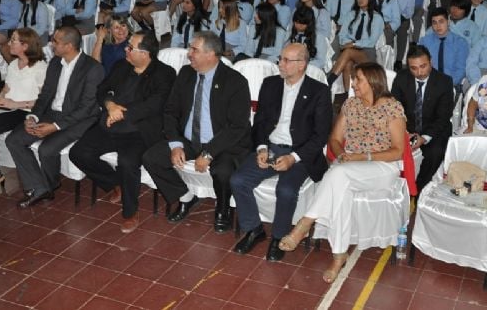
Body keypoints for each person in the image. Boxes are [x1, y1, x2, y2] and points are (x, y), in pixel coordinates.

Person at [278, 62, 407, 284]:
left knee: (338, 176)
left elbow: (397, 151)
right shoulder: (350, 105)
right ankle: (339, 256)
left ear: (373, 82)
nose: (353, 83)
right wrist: (341, 156)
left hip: (382, 166)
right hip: (350, 165)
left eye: (358, 80)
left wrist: (361, 157)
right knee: (341, 191)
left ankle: (306, 222)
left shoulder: (392, 108)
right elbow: (335, 140)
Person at [230, 44, 332, 261]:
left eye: (287, 60)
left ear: (302, 64)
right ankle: (254, 229)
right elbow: (260, 123)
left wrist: (293, 158)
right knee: (238, 180)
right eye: (281, 59)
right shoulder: (270, 84)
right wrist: (261, 148)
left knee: (285, 190)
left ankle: (278, 236)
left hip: (300, 152)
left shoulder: (319, 92)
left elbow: (320, 136)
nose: (280, 64)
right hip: (271, 147)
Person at [142, 31, 252, 231]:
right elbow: (171, 111)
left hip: (222, 142)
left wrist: (209, 153)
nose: (189, 53)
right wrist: (175, 144)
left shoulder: (235, 82)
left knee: (222, 171)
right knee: (152, 158)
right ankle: (185, 197)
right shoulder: (186, 74)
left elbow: (237, 127)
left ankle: (223, 208)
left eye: (194, 49)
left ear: (211, 55)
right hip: (189, 139)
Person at [69, 31, 175, 233]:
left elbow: (155, 105)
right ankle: (114, 183)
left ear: (144, 53)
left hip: (139, 131)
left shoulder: (165, 73)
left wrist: (122, 114)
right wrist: (110, 106)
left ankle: (130, 212)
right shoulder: (121, 66)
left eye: (130, 47)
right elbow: (102, 90)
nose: (125, 49)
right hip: (110, 123)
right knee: (79, 153)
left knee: (127, 163)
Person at [5, 26, 104, 208]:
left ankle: (49, 185)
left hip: (81, 120)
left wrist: (55, 126)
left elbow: (86, 109)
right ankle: (40, 187)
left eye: (55, 42)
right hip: (52, 113)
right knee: (14, 140)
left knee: (47, 149)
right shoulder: (55, 63)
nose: (51, 44)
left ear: (69, 46)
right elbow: (45, 96)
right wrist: (33, 117)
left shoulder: (92, 68)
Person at [0, 28, 47, 195]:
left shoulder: (40, 68)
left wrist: (15, 104)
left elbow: (44, 101)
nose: (9, 43)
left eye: (13, 40)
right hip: (7, 106)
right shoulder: (13, 64)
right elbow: (7, 88)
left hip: (24, 110)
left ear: (25, 46)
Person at [391, 45, 453, 191]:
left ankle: (416, 189)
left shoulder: (444, 82)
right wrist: (405, 132)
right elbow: (394, 109)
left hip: (434, 129)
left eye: (423, 66)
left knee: (435, 152)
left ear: (431, 61)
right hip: (407, 128)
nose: (419, 72)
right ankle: (396, 186)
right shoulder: (401, 77)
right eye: (413, 68)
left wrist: (424, 138)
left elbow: (443, 117)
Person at [326, 0, 384, 92]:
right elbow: (342, 34)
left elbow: (371, 42)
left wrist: (353, 44)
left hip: (367, 52)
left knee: (348, 52)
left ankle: (328, 82)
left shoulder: (377, 17)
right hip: (349, 48)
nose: (360, 0)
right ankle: (349, 95)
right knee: (347, 63)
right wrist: (347, 43)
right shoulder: (351, 14)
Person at [418, 7, 468, 91]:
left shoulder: (460, 43)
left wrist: (447, 85)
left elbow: (461, 70)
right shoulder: (424, 42)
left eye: (441, 22)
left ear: (448, 22)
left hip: (451, 85)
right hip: (429, 85)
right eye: (434, 23)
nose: (438, 26)